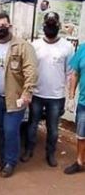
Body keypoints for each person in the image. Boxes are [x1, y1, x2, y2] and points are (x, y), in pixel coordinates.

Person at [0, 12, 37, 178]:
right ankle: (3, 158)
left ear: (10, 26)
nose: (0, 28)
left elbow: (31, 71)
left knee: (10, 130)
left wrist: (27, 93)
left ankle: (10, 162)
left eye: (3, 25)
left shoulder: (23, 46)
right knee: (1, 130)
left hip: (15, 98)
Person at [21, 12, 74, 167]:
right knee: (32, 125)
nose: (50, 27)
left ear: (58, 26)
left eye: (53, 24)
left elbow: (70, 73)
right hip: (36, 93)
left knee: (53, 128)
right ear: (43, 26)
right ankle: (28, 150)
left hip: (56, 96)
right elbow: (28, 69)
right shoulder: (34, 45)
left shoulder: (67, 46)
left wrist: (70, 96)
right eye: (48, 24)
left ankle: (50, 153)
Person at [64, 42, 85, 175]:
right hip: (84, 102)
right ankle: (79, 161)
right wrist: (71, 97)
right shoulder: (83, 49)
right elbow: (75, 73)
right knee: (81, 135)